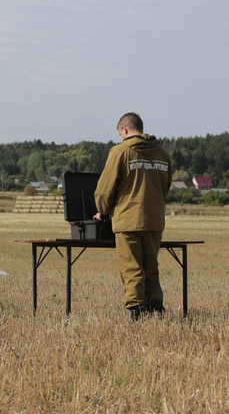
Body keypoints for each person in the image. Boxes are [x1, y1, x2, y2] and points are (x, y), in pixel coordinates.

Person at [93, 112, 172, 320]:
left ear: (124, 130)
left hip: (128, 220)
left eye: (120, 134)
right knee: (151, 268)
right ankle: (156, 308)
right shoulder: (163, 154)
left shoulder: (120, 152)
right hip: (154, 220)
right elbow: (166, 187)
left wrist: (103, 211)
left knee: (132, 268)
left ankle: (138, 312)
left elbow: (104, 189)